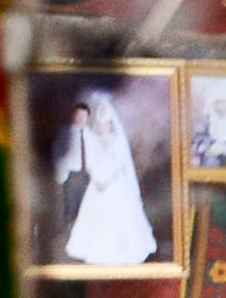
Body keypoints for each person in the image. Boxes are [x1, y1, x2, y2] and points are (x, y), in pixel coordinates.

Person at [53, 82, 161, 268]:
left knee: (116, 214)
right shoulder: (94, 139)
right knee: (94, 214)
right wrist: (96, 179)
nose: (103, 127)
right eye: (101, 124)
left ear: (111, 125)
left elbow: (120, 164)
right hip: (97, 181)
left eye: (106, 124)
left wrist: (108, 181)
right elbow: (92, 162)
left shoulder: (117, 141)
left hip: (114, 182)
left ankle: (118, 252)